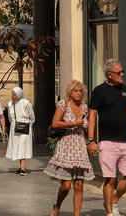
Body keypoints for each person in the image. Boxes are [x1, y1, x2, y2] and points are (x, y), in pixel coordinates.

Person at [88, 59, 126, 216]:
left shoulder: (124, 89)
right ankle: (110, 213)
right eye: (119, 72)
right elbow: (92, 115)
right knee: (110, 179)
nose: (122, 74)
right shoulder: (99, 91)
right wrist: (91, 139)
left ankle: (114, 199)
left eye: (122, 71)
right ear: (109, 74)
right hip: (107, 142)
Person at [46, 80, 94, 216]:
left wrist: (91, 142)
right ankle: (57, 206)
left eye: (80, 91)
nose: (78, 93)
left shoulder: (85, 108)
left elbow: (87, 129)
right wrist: (74, 123)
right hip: (66, 146)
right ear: (69, 92)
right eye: (75, 91)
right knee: (66, 186)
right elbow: (55, 123)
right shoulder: (63, 105)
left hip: (79, 146)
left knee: (79, 185)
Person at [5, 86, 34, 174]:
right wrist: (14, 124)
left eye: (14, 95)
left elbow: (32, 116)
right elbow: (10, 118)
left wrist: (28, 125)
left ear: (19, 95)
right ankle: (21, 166)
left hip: (25, 127)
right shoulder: (10, 104)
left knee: (23, 146)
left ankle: (22, 168)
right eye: (12, 94)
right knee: (17, 146)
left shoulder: (26, 103)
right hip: (15, 127)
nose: (12, 96)